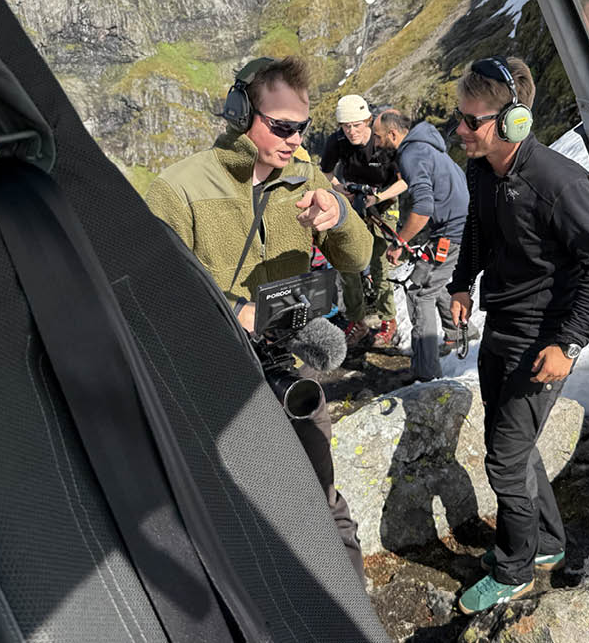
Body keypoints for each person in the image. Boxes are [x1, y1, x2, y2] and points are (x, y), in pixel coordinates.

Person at [144, 55, 372, 581]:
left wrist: (338, 220)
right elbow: (153, 292)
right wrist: (232, 311)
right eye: (282, 127)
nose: (294, 140)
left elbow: (358, 258)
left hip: (292, 373)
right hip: (216, 382)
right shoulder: (178, 189)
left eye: (303, 128)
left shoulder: (307, 178)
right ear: (240, 111)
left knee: (325, 506)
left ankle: (351, 612)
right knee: (241, 518)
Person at [446, 57, 589, 614]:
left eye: (473, 122)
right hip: (500, 324)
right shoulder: (481, 171)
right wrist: (462, 281)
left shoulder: (558, 183)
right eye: (460, 118)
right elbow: (478, 228)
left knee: (503, 458)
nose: (461, 131)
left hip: (541, 342)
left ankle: (515, 567)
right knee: (515, 447)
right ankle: (544, 544)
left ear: (513, 120)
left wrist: (568, 345)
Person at [371, 110, 467, 382]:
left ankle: (426, 374)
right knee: (427, 280)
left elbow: (424, 206)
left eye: (378, 138)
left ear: (392, 134)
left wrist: (399, 242)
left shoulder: (411, 154)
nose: (376, 144)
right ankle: (458, 332)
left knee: (418, 291)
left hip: (451, 233)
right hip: (457, 229)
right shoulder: (428, 147)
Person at [321, 94, 408, 347]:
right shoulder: (337, 142)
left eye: (357, 125)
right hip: (353, 200)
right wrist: (339, 189)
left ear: (368, 121)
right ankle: (357, 320)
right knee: (348, 262)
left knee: (379, 262)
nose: (351, 131)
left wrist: (377, 197)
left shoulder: (383, 142)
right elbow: (325, 171)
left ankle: (388, 320)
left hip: (385, 201)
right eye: (346, 126)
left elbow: (404, 181)